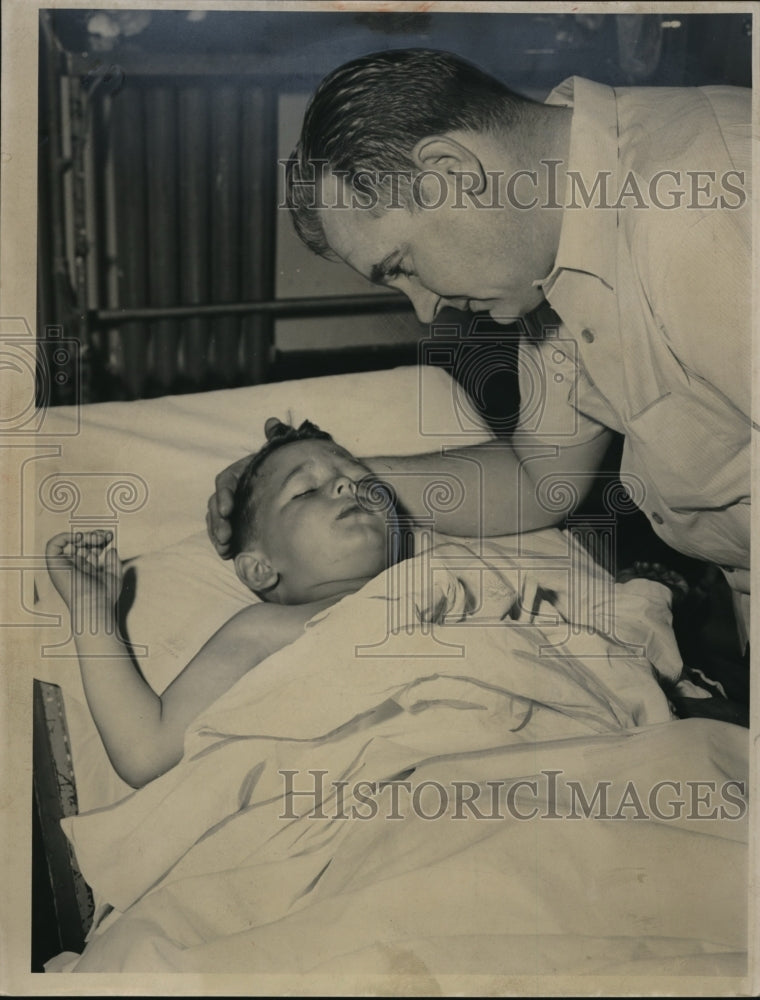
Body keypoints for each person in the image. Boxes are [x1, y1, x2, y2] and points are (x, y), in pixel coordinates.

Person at [207, 48, 752, 647]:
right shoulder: (554, 253)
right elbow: (539, 480)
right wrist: (315, 481)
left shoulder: (711, 217)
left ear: (451, 172)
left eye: (403, 265)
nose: (423, 308)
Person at [46, 419, 399, 789]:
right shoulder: (268, 627)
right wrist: (92, 611)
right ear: (260, 569)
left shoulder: (442, 571)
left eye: (360, 476)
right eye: (305, 491)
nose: (346, 484)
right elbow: (144, 751)